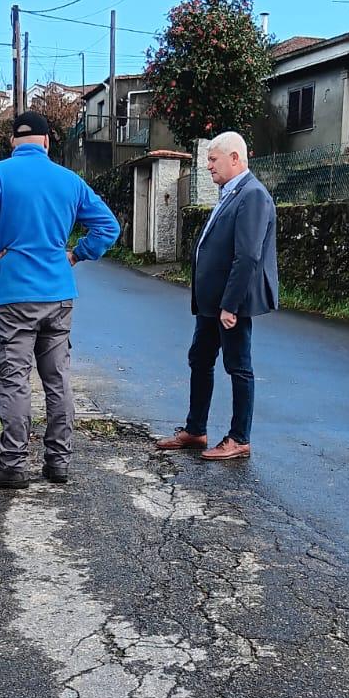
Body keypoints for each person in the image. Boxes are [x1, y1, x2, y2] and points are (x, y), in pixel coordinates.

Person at [0, 111, 120, 489]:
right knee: (58, 378)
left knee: (15, 379)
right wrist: (76, 254)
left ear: (13, 142)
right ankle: (58, 462)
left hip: (14, 296)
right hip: (59, 295)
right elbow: (108, 227)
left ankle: (13, 465)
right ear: (48, 142)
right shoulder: (69, 181)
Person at [155, 131, 277, 462]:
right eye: (208, 159)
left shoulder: (252, 195)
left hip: (229, 304)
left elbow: (248, 256)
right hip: (213, 304)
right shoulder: (231, 192)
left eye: (213, 159)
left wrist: (230, 305)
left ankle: (239, 438)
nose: (208, 166)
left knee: (238, 365)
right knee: (200, 358)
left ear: (235, 158)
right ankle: (196, 430)